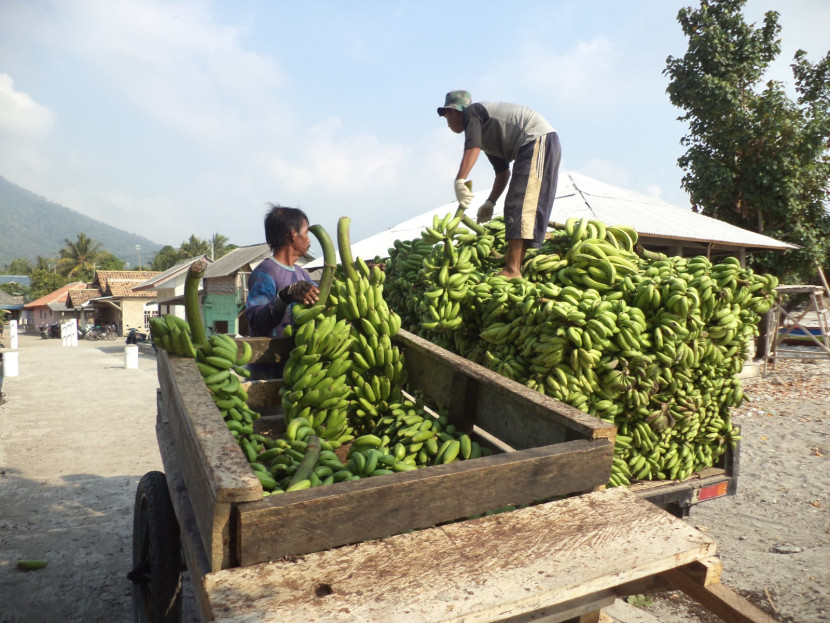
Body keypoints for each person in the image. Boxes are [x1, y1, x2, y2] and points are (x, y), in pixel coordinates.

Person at [437, 90, 562, 278]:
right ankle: (515, 263)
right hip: (534, 144)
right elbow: (503, 172)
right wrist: (490, 202)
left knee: (520, 203)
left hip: (536, 139)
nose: (447, 122)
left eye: (446, 116)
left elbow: (472, 147)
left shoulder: (473, 112)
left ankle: (513, 269)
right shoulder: (486, 132)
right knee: (518, 202)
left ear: (454, 111)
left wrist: (460, 179)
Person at [246, 203, 319, 341]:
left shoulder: (301, 273)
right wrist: (283, 297)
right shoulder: (265, 273)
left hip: (298, 359)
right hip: (270, 361)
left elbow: (319, 299)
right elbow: (256, 321)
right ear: (293, 235)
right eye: (306, 233)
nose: (309, 240)